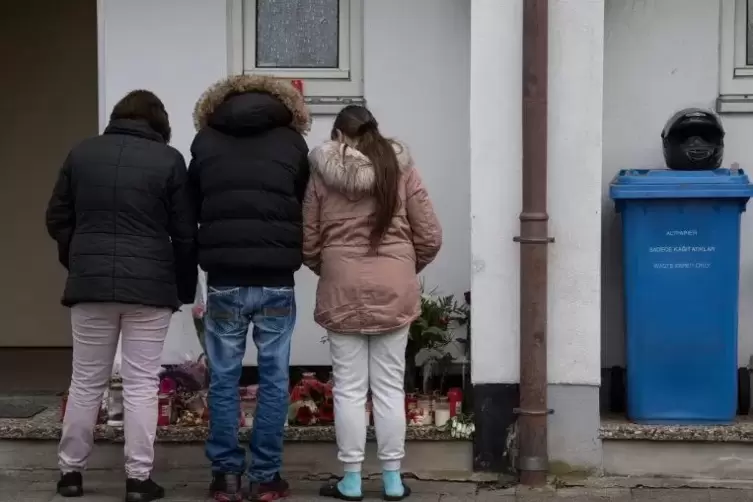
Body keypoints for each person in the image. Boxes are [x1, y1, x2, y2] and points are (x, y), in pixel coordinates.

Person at [45, 90, 198, 501]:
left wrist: (79, 259)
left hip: (91, 288)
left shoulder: (82, 154)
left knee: (85, 381)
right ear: (159, 123)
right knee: (142, 383)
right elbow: (185, 234)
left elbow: (57, 218)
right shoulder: (169, 161)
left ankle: (70, 473)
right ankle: (137, 479)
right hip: (149, 290)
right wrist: (182, 287)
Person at [302, 105, 442, 501]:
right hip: (393, 288)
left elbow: (309, 240)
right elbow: (429, 235)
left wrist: (330, 268)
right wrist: (402, 269)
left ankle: (351, 478)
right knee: (389, 388)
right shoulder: (401, 169)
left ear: (340, 136)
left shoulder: (321, 176)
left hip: (341, 287)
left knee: (347, 389)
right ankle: (393, 479)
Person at [188, 75, 310, 502]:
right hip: (276, 277)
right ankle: (266, 478)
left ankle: (225, 478)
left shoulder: (205, 141)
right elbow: (301, 198)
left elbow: (193, 200)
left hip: (224, 278)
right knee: (274, 379)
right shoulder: (293, 143)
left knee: (223, 378)